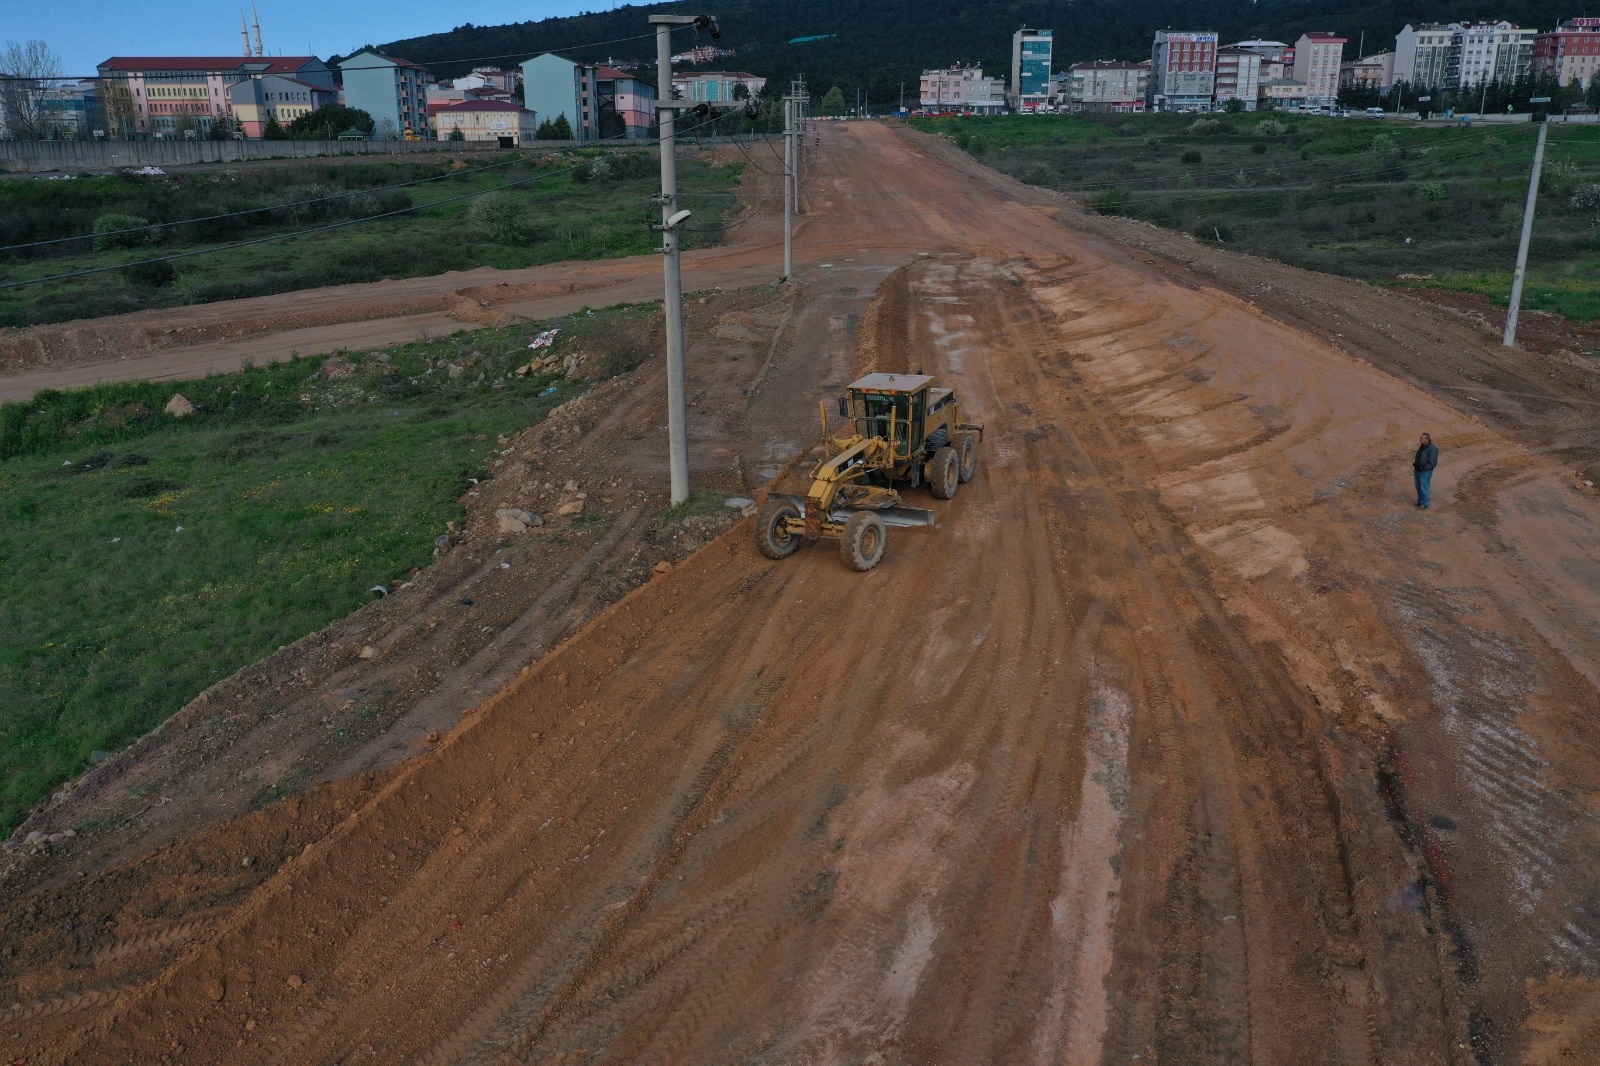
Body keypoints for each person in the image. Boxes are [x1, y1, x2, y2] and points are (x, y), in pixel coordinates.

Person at [1413, 432, 1439, 509]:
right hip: (1417, 470)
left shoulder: (1433, 449)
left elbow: (1432, 462)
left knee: (1424, 487)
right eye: (1420, 438)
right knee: (1418, 487)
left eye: (1421, 438)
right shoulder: (1423, 446)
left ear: (1426, 439)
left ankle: (1425, 504)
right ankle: (1420, 501)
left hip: (1425, 472)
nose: (1420, 439)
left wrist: (1424, 469)